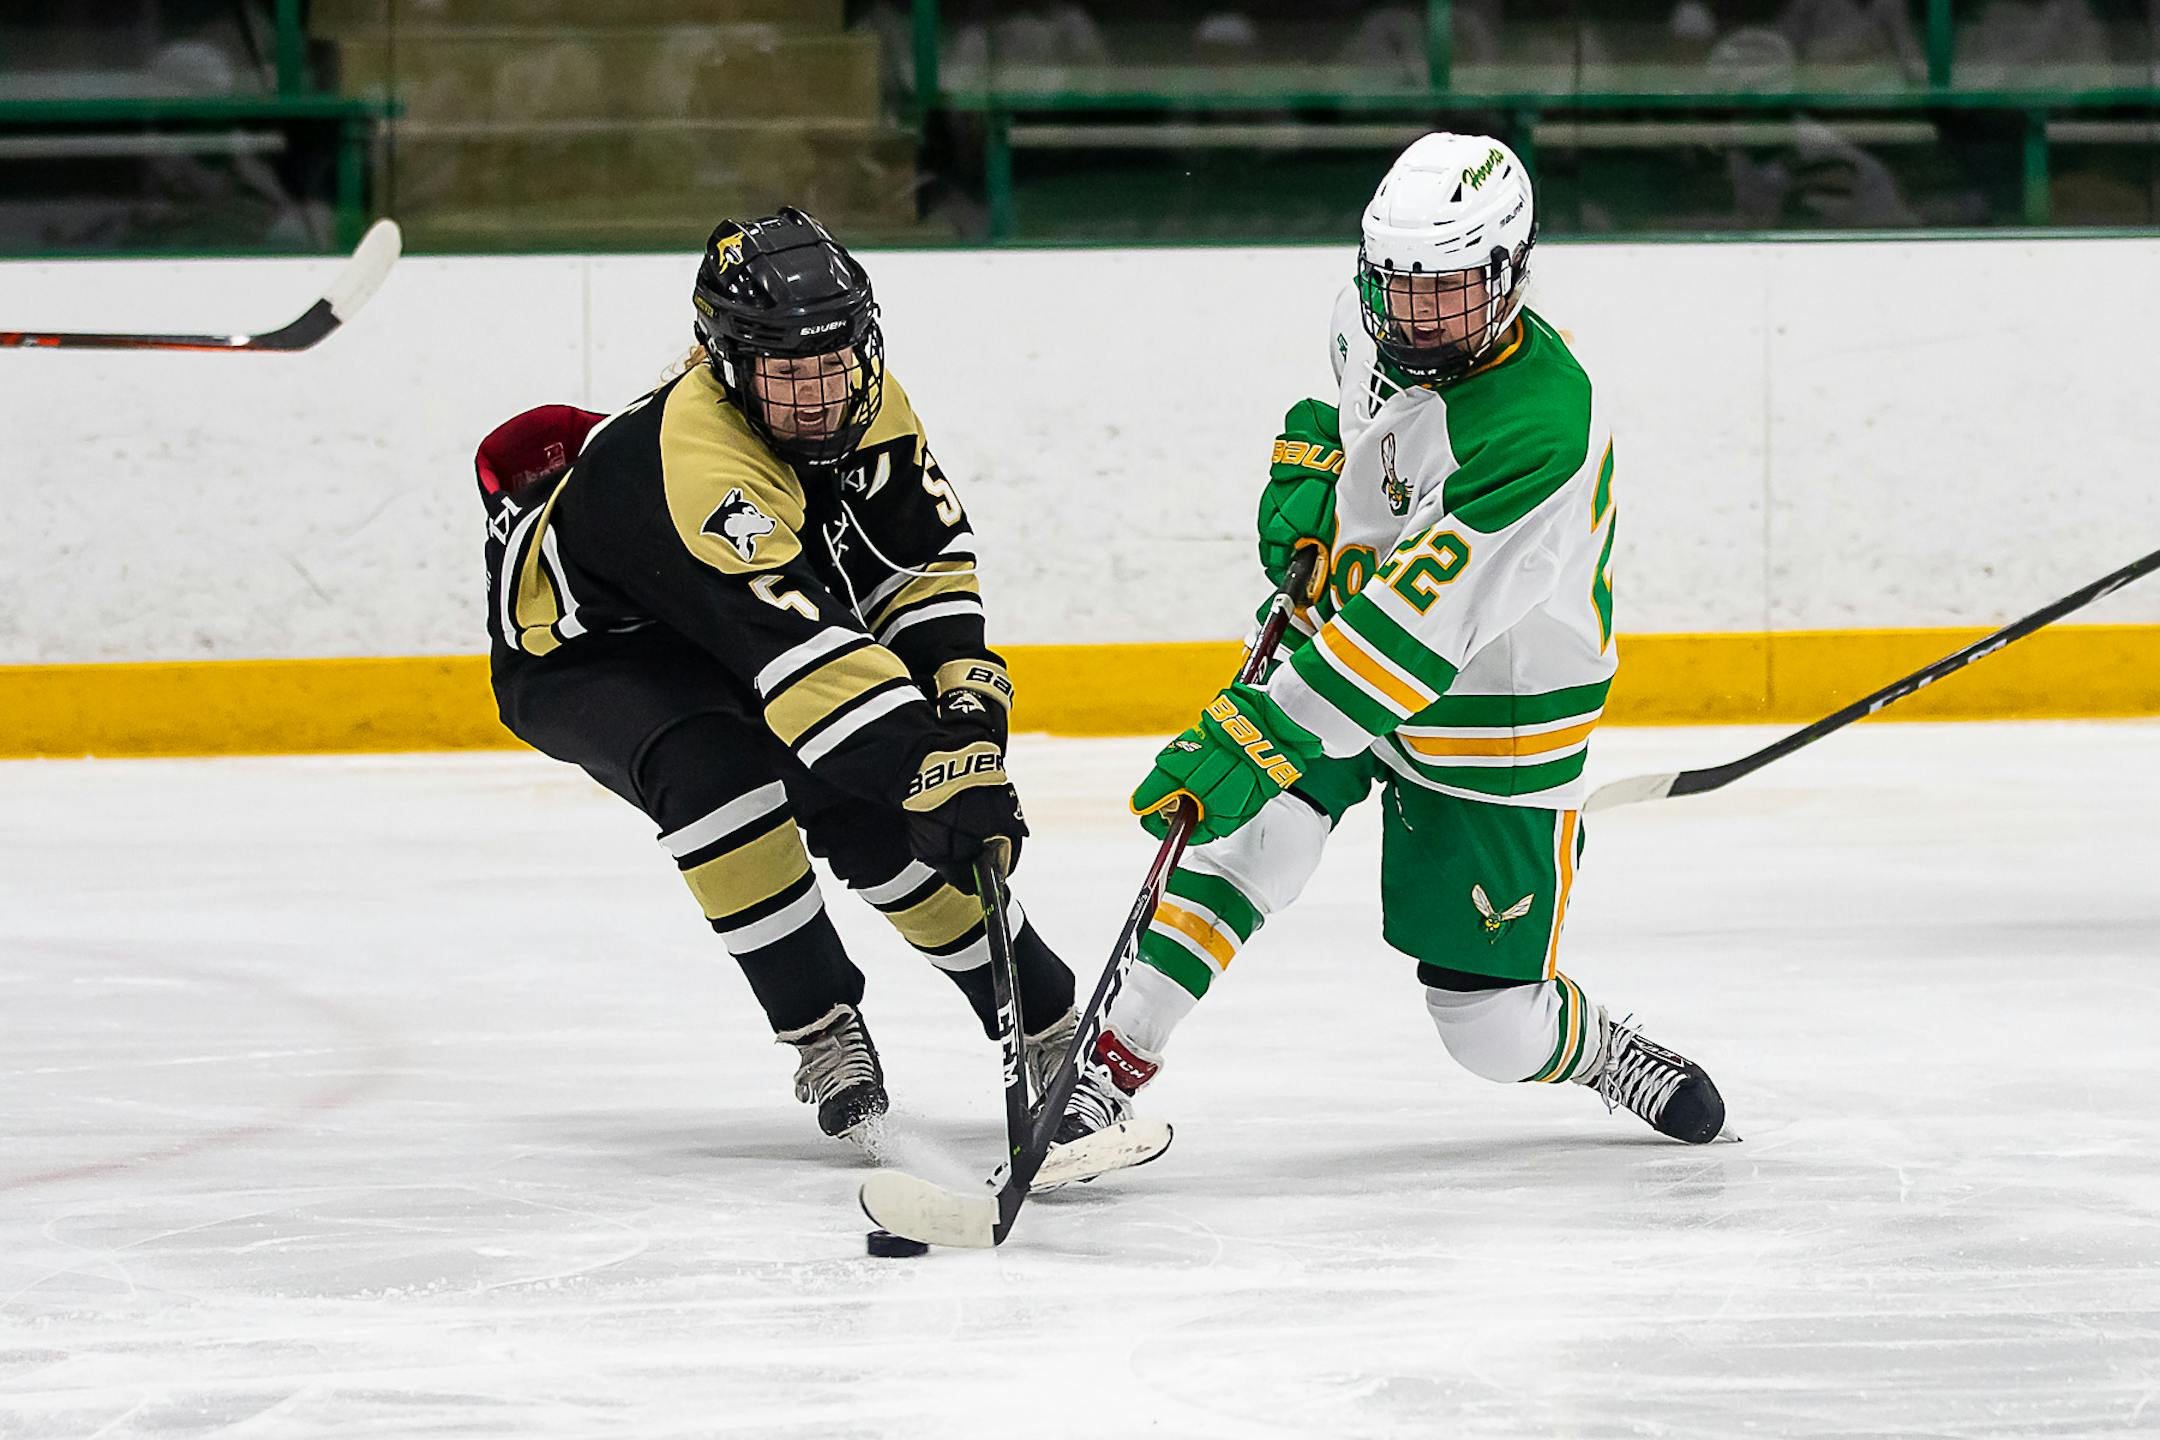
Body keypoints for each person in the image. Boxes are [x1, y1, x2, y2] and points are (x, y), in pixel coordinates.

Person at [1058, 134, 1730, 1151]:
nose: (1416, 315)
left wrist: (1257, 735)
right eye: (1398, 286)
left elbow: (1409, 639)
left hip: (1497, 699)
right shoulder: (1368, 320)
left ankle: (1595, 1050)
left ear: (1510, 275)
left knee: (1487, 1027)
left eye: (1450, 290)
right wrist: (1313, 472)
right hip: (1355, 638)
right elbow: (1347, 415)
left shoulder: (1543, 423)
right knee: (1253, 838)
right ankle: (1107, 1066)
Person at [475, 208, 1077, 1146]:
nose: (817, 397)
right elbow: (804, 665)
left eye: (833, 365)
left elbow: (916, 565)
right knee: (722, 775)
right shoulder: (699, 460)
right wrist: (926, 766)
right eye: (786, 373)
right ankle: (821, 1027)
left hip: (732, 617)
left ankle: (1045, 1023)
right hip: (589, 648)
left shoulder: (872, 399)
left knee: (878, 809)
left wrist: (960, 703)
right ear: (726, 363)